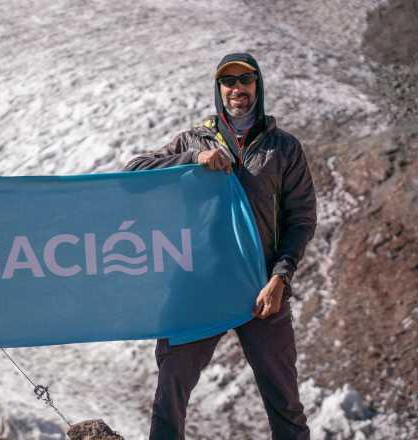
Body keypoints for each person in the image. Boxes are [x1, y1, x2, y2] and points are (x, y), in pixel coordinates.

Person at [123, 53, 317, 439]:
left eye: (245, 80)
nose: (237, 89)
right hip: (196, 286)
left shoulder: (283, 148)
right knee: (170, 396)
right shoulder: (193, 139)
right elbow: (133, 173)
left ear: (257, 86)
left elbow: (301, 219)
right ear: (219, 89)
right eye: (228, 82)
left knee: (285, 402)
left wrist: (280, 278)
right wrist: (194, 159)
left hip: (260, 287)